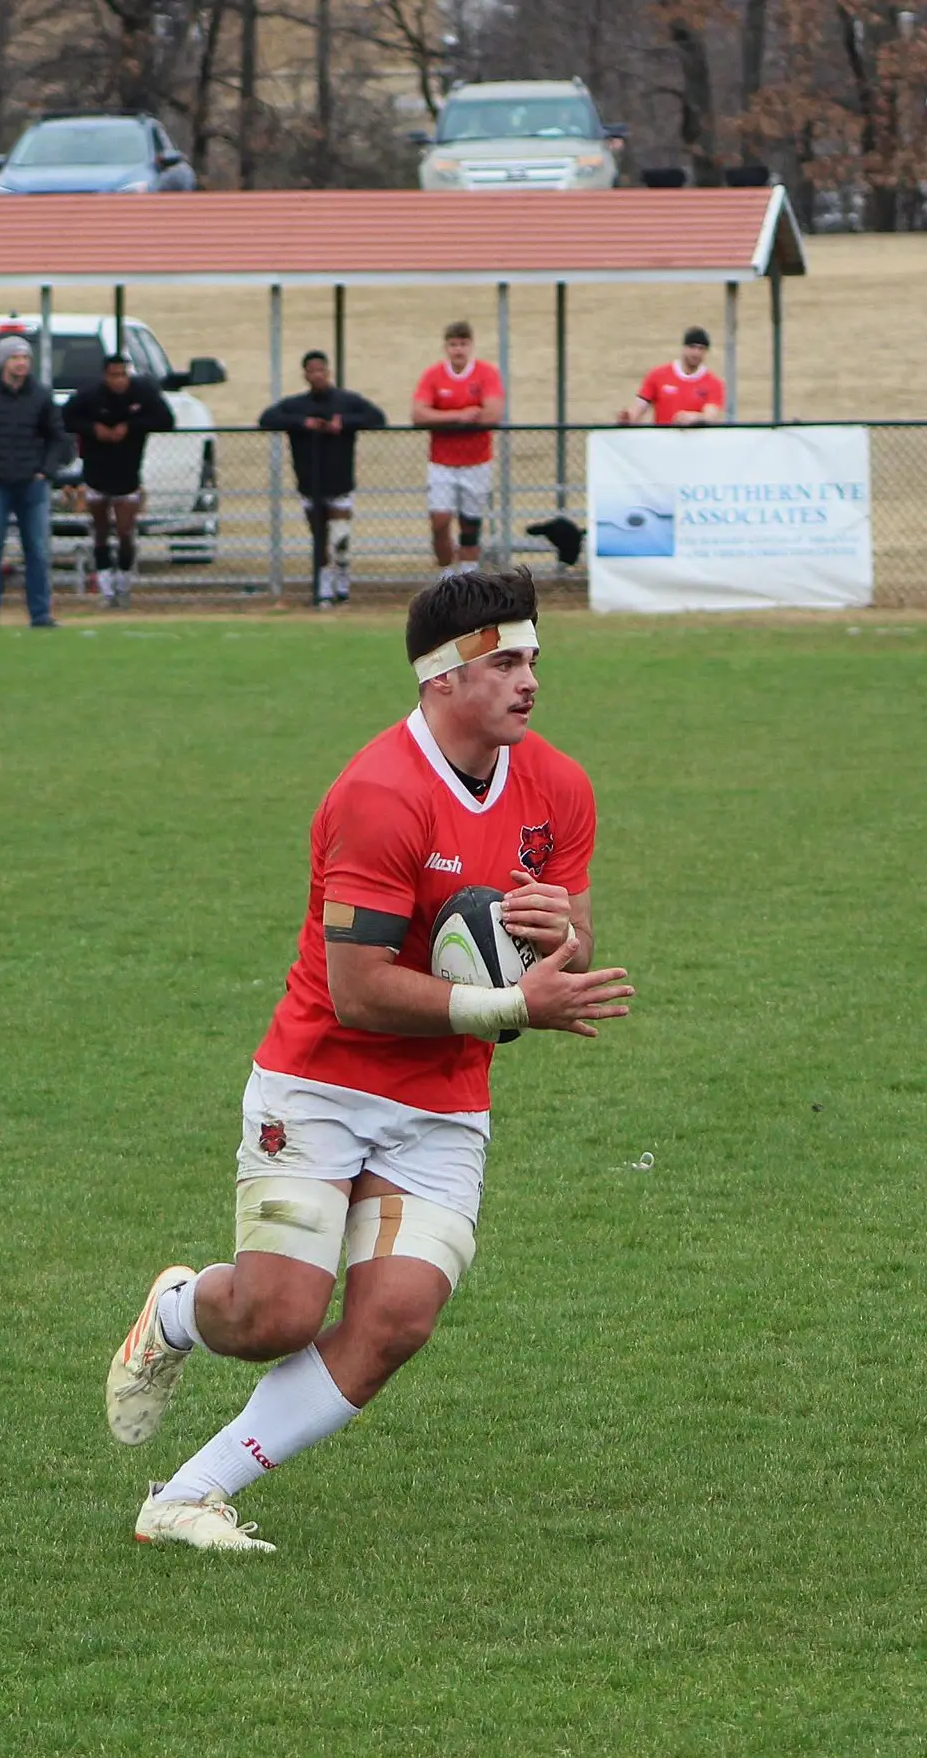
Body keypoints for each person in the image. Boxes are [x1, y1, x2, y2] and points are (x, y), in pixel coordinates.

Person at [105, 567, 633, 1553]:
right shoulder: (377, 795)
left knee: (392, 1320)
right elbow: (356, 991)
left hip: (441, 1099)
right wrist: (518, 1000)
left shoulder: (556, 785)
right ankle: (177, 1310)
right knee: (276, 1315)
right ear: (440, 678)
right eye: (504, 661)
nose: (529, 680)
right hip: (321, 1080)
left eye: (532, 659)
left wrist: (561, 930)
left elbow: (577, 940)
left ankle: (185, 1494)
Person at [0, 336, 72, 629]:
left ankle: (41, 613)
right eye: (15, 358)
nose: (21, 363)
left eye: (25, 358)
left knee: (37, 549)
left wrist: (46, 470)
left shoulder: (41, 395)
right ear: (3, 361)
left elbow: (58, 437)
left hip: (32, 484)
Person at [259, 350, 386, 606]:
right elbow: (266, 419)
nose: (317, 375)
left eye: (321, 370)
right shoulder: (296, 405)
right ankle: (324, 587)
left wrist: (345, 423)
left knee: (340, 538)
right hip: (309, 482)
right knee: (320, 538)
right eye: (311, 371)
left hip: (339, 481)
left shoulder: (346, 401)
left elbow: (378, 418)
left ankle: (342, 579)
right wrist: (303, 424)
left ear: (328, 372)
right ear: (305, 374)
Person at [63, 354, 174, 607]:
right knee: (100, 532)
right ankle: (106, 590)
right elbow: (66, 418)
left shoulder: (143, 392)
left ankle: (123, 584)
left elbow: (166, 420)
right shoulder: (89, 394)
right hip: (96, 473)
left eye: (123, 374)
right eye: (114, 375)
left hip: (127, 474)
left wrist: (131, 426)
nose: (120, 380)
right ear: (105, 375)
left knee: (125, 532)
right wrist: (93, 429)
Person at [412, 322, 506, 573]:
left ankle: (468, 577)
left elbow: (492, 414)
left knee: (470, 524)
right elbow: (419, 414)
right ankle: (446, 576)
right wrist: (458, 416)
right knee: (439, 522)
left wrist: (441, 416)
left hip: (477, 461)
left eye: (463, 344)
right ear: (446, 347)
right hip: (442, 463)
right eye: (453, 344)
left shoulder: (486, 373)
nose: (458, 350)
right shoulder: (433, 376)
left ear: (471, 346)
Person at [617, 327, 726, 427]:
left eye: (701, 349)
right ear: (684, 348)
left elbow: (710, 416)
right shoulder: (658, 375)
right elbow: (639, 408)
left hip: (696, 445)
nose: (696, 353)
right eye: (692, 347)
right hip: (663, 443)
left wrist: (693, 418)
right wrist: (628, 418)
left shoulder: (713, 383)